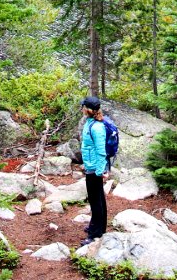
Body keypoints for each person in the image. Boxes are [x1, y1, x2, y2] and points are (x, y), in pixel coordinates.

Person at [80, 94, 108, 244]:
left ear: (89, 110)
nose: (82, 108)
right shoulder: (90, 122)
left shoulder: (97, 127)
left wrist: (99, 171)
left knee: (95, 201)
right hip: (91, 166)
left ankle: (95, 234)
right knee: (98, 198)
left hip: (95, 169)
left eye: (84, 106)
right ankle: (99, 226)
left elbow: (101, 151)